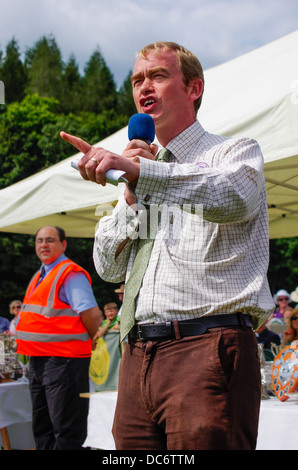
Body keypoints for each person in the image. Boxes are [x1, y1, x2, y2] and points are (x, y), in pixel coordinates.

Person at [61, 41, 275, 450]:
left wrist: (145, 173)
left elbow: (233, 198)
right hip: (138, 353)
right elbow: (107, 266)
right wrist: (132, 193)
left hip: (208, 348)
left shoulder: (232, 152)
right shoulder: (140, 173)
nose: (145, 86)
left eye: (158, 75)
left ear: (194, 88)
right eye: (138, 79)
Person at [15, 225, 103, 450]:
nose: (43, 245)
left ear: (63, 244)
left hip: (64, 362)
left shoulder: (69, 272)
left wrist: (95, 340)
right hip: (40, 361)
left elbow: (91, 314)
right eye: (40, 241)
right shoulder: (41, 274)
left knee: (66, 429)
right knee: (42, 427)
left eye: (50, 240)